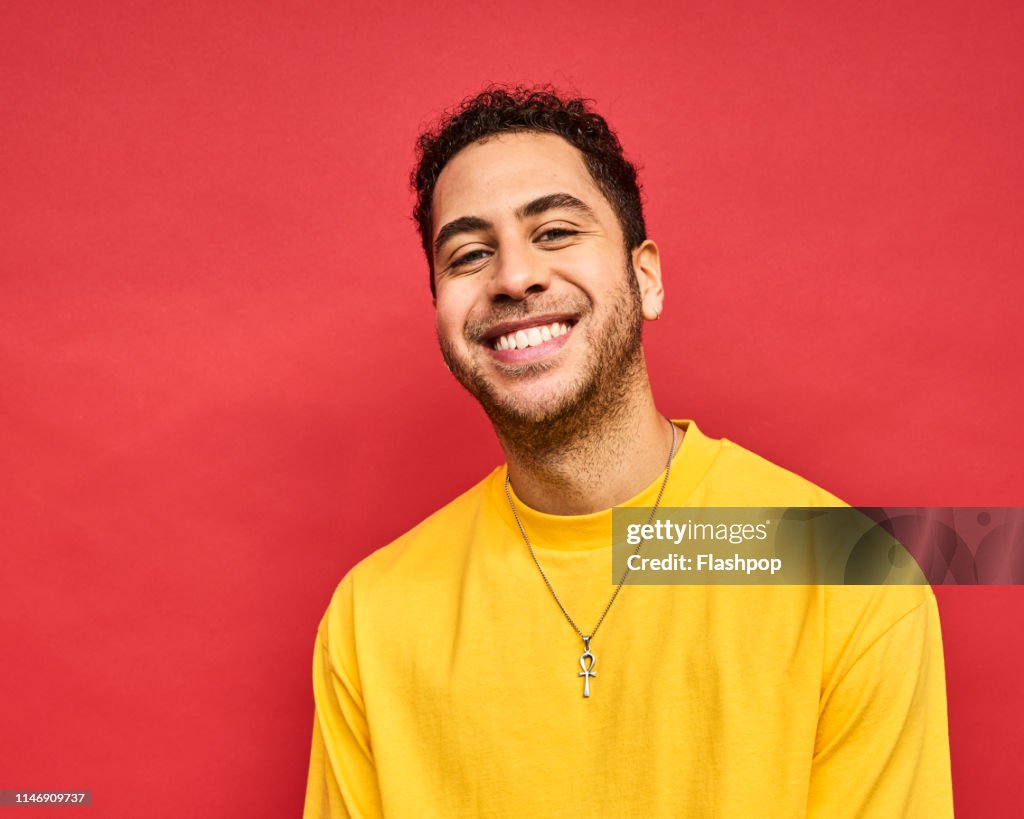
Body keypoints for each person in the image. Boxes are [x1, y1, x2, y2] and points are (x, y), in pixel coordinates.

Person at [303, 87, 953, 818]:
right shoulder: (372, 615)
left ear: (646, 277)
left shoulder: (849, 573)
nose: (514, 277)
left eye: (553, 231)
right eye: (469, 253)